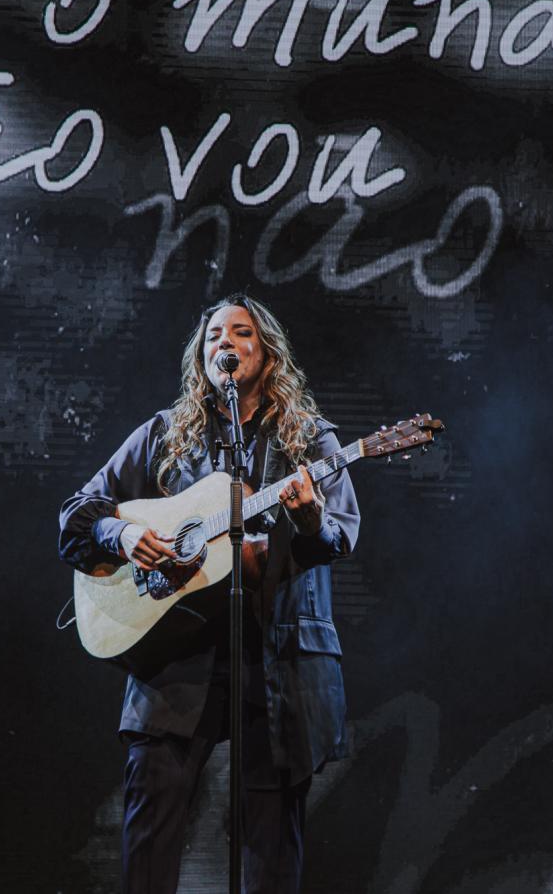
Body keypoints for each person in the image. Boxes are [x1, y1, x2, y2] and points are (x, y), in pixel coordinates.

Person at [59, 294, 360, 894]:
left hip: (276, 663)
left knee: (273, 853)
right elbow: (77, 514)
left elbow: (339, 535)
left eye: (242, 332)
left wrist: (305, 520)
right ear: (201, 358)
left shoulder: (310, 441)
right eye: (214, 335)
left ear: (268, 355)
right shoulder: (164, 437)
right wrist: (122, 533)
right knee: (150, 839)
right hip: (175, 661)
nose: (225, 341)